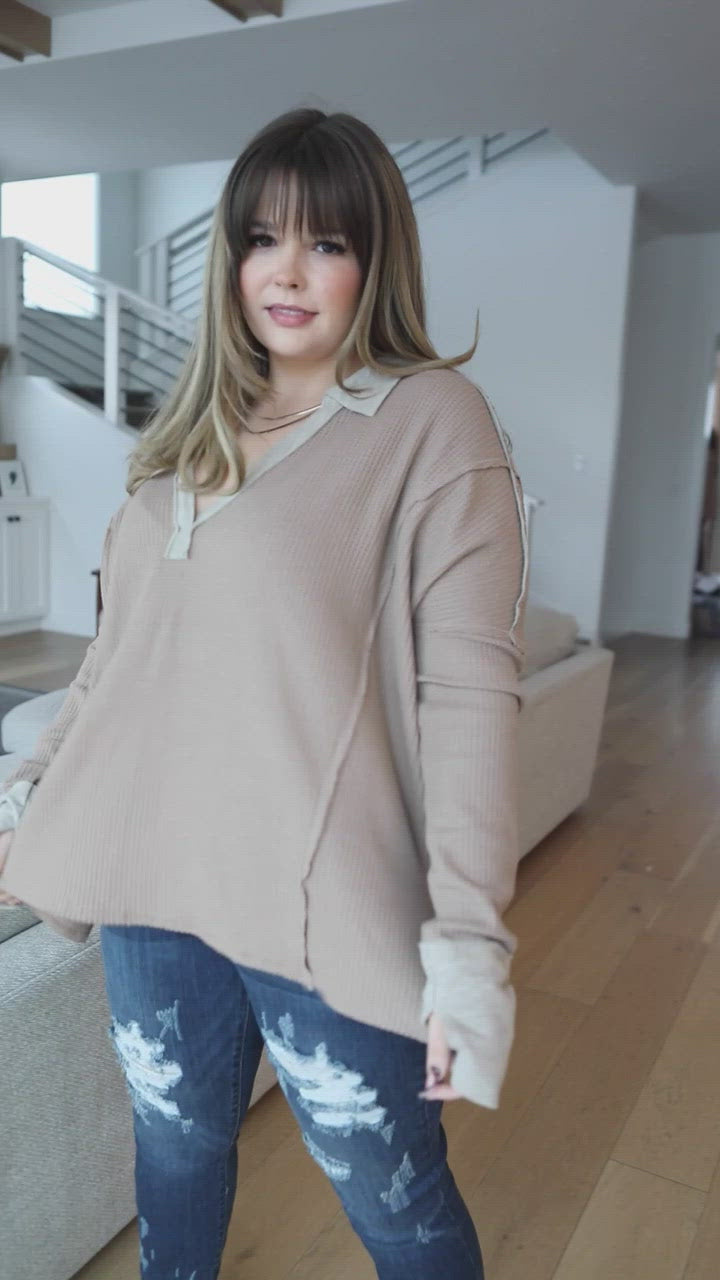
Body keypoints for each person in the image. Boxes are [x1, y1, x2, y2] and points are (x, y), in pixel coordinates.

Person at [0, 107, 528, 1279]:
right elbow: (117, 664)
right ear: (230, 257)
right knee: (173, 1157)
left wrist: (467, 949)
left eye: (326, 242)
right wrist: (28, 793)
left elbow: (468, 695)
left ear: (375, 261)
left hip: (320, 902)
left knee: (396, 1199)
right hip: (152, 891)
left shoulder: (429, 422)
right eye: (261, 238)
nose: (287, 271)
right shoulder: (182, 441)